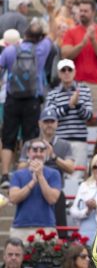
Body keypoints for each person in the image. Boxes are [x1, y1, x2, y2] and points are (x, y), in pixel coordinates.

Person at [0, 20, 54, 189]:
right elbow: (50, 36)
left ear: (25, 35)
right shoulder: (42, 48)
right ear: (40, 37)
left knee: (8, 138)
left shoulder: (10, 50)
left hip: (12, 99)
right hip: (32, 99)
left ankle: (5, 175)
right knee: (30, 137)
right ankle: (27, 170)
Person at [17, 108, 75, 236]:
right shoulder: (29, 144)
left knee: (59, 234)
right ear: (39, 123)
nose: (49, 124)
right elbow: (20, 167)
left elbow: (71, 168)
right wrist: (36, 157)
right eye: (46, 121)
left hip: (55, 192)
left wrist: (53, 156)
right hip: (32, 191)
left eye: (52, 121)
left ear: (57, 123)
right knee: (30, 233)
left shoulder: (64, 145)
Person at [61, 0, 97, 114]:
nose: (82, 13)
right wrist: (82, 44)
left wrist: (93, 40)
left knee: (94, 119)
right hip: (74, 83)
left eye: (86, 11)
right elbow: (65, 55)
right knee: (73, 118)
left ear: (93, 12)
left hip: (96, 85)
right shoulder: (71, 32)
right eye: (81, 10)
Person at [8, 138, 62, 241]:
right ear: (28, 153)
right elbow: (13, 198)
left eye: (41, 150)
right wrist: (32, 183)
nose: (38, 153)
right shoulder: (18, 174)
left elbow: (52, 199)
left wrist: (40, 176)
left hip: (46, 227)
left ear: (46, 153)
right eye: (35, 150)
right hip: (21, 228)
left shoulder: (54, 174)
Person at [46, 59, 93, 168]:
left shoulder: (84, 90)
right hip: (60, 141)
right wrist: (69, 106)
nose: (66, 72)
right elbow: (50, 117)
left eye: (69, 69)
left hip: (79, 141)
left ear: (74, 72)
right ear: (59, 73)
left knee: (77, 175)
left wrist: (77, 105)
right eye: (63, 70)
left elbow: (88, 116)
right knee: (59, 173)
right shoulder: (53, 94)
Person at [70, 152, 97, 246]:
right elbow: (73, 211)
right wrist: (87, 211)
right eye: (95, 167)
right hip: (84, 231)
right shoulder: (84, 186)